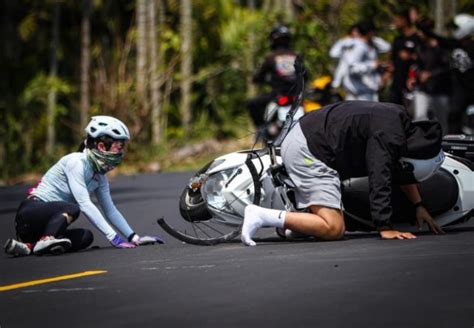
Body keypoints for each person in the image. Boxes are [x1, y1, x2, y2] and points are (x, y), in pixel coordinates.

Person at [241, 101, 445, 246]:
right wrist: (384, 227)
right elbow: (380, 174)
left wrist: (418, 205)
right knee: (334, 228)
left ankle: (300, 225)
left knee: (330, 223)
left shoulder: (400, 122)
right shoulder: (389, 134)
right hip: (309, 149)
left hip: (309, 136)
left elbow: (398, 168)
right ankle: (261, 216)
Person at [4, 115, 164, 257]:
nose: (121, 153)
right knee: (73, 209)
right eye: (119, 147)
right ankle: (46, 240)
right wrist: (114, 239)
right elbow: (85, 204)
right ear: (101, 146)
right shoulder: (76, 161)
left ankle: (29, 246)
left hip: (47, 224)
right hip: (30, 214)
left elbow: (110, 209)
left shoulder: (99, 176)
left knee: (86, 237)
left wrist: (135, 238)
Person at [418, 14, 474, 134]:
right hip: (459, 89)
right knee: (453, 116)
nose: (453, 30)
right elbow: (436, 37)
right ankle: (454, 146)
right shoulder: (454, 44)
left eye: (456, 27)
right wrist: (421, 26)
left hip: (471, 87)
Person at [247, 25, 300, 134]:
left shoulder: (271, 57)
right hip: (297, 96)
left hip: (278, 96)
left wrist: (256, 79)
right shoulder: (296, 56)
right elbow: (305, 75)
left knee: (252, 104)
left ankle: (261, 130)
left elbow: (260, 76)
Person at [407, 17, 452, 134]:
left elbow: (447, 67)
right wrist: (414, 76)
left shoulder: (441, 46)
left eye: (421, 31)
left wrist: (431, 74)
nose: (419, 34)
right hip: (423, 89)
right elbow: (416, 65)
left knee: (441, 122)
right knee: (419, 117)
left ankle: (443, 147)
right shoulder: (420, 47)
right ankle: (419, 145)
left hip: (440, 90)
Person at [336, 21, 391, 101]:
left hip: (368, 93)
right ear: (370, 32)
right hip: (360, 95)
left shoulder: (369, 44)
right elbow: (352, 69)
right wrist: (372, 65)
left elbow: (387, 47)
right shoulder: (359, 47)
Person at [389, 9, 421, 105]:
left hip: (412, 83)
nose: (395, 23)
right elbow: (392, 59)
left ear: (404, 21)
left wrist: (410, 56)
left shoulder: (417, 38)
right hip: (397, 83)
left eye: (397, 20)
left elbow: (423, 58)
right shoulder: (397, 40)